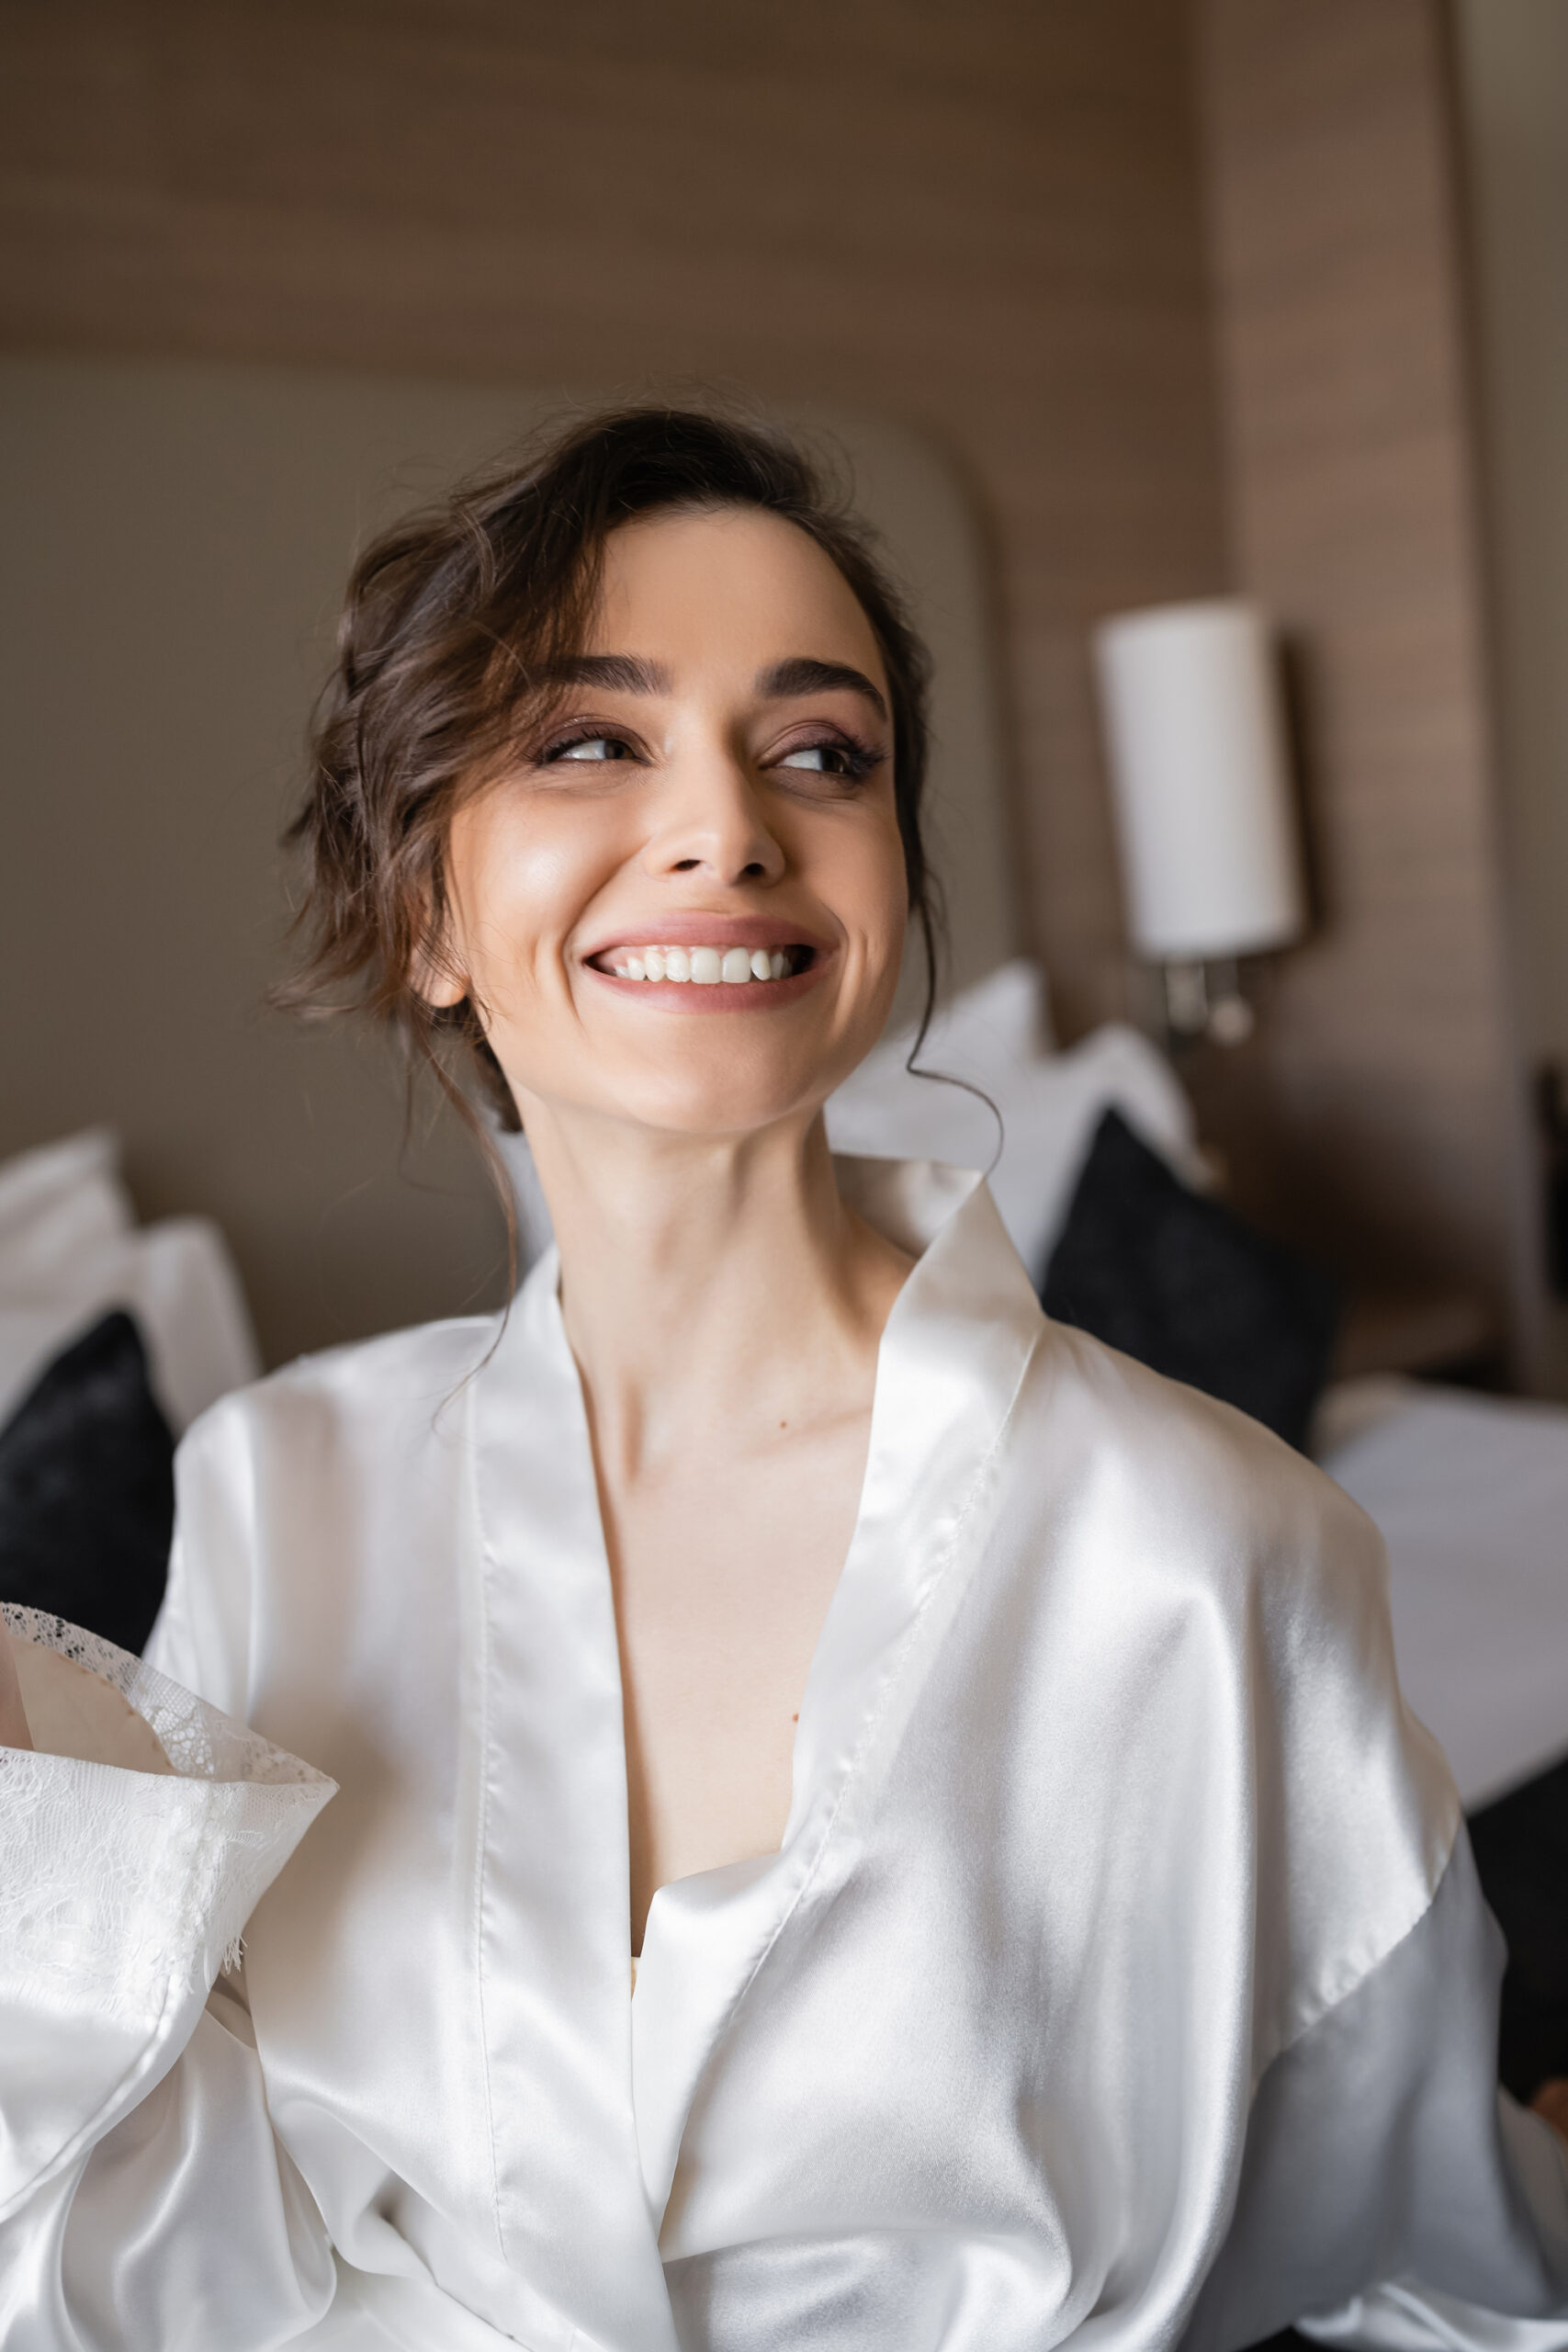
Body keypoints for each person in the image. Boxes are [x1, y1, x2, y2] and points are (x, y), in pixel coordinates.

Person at [2, 408, 1566, 2352]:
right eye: (590, 737)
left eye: (819, 752)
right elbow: (190, 2264)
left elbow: (1452, 2272)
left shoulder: (1197, 1541)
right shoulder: (273, 1493)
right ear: (420, 907)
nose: (726, 824)